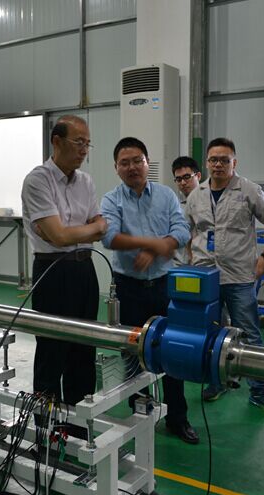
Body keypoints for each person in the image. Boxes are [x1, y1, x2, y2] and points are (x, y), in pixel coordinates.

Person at [101, 137, 198, 444]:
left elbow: (181, 230)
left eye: (137, 161)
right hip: (128, 287)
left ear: (147, 163)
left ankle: (177, 418)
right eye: (125, 162)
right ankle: (140, 416)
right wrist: (153, 244)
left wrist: (158, 247)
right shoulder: (111, 200)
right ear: (116, 168)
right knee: (133, 352)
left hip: (164, 286)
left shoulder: (166, 195)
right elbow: (110, 237)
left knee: (172, 351)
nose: (132, 167)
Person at [185, 137, 264, 416]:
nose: (218, 165)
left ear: (234, 162)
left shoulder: (248, 190)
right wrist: (191, 256)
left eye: (224, 160)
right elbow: (188, 228)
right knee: (212, 332)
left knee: (249, 334)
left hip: (239, 276)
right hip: (207, 277)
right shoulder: (196, 195)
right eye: (213, 160)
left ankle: (260, 391)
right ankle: (218, 382)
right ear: (206, 163)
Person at [21, 115, 107, 433]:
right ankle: (46, 431)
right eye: (78, 142)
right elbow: (58, 237)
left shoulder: (86, 182)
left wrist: (80, 231)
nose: (84, 150)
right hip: (52, 273)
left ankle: (78, 428)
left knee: (84, 349)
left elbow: (98, 225)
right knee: (52, 351)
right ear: (56, 142)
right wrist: (90, 229)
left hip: (85, 271)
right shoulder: (38, 181)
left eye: (88, 143)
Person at [171, 156, 201, 266]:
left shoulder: (210, 203)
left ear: (198, 176)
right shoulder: (174, 207)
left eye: (187, 177)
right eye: (178, 179)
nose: (183, 182)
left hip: (202, 266)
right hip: (178, 266)